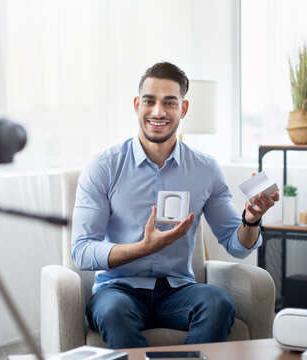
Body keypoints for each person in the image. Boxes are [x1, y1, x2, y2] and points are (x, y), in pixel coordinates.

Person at [71, 62, 279, 349]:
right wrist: (141, 249)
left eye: (169, 103)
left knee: (218, 301)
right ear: (136, 105)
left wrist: (251, 220)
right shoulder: (104, 167)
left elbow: (236, 244)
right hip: (118, 290)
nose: (158, 112)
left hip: (177, 291)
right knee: (113, 311)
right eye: (150, 101)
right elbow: (81, 251)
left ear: (183, 109)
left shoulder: (205, 169)